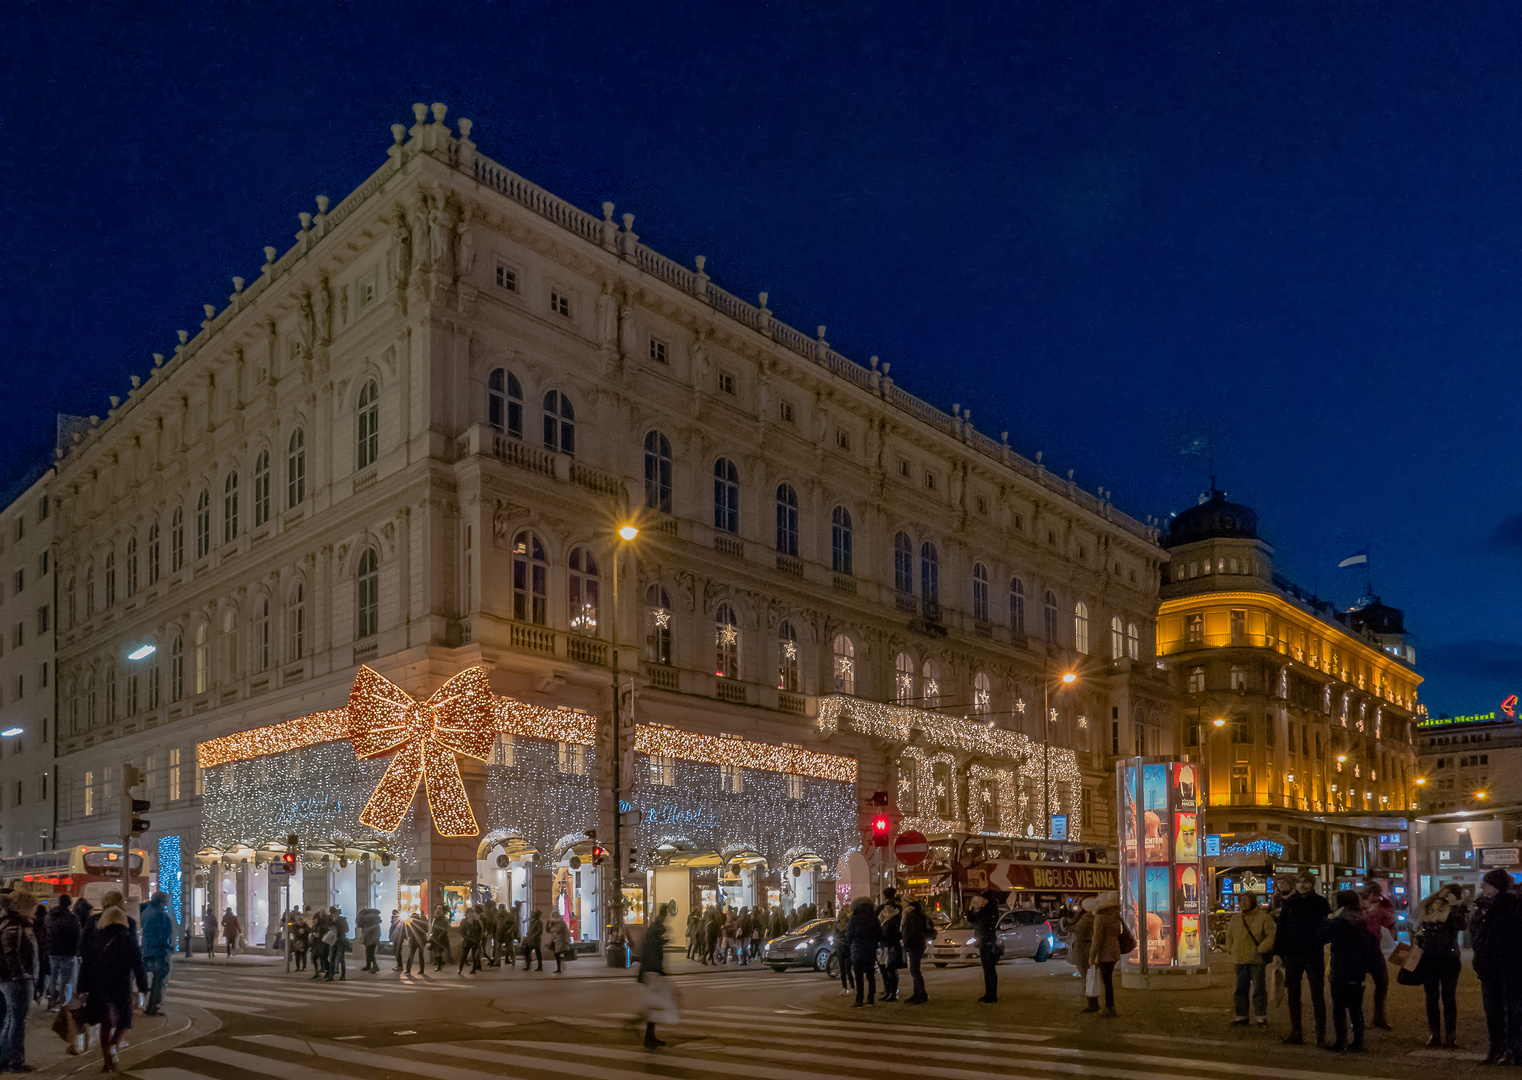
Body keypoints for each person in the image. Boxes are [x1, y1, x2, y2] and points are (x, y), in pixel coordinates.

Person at [78, 903, 146, 1074]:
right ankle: (114, 1044)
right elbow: (138, 964)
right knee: (123, 1019)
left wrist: (81, 987)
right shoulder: (127, 938)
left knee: (105, 1023)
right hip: (120, 984)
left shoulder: (96, 939)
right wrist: (143, 986)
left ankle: (106, 1060)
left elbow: (86, 965)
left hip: (98, 985)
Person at [1271, 871, 1331, 1046]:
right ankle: (1296, 1031)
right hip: (1293, 954)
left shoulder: (1320, 902)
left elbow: (1328, 925)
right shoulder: (1290, 903)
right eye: (1300, 882)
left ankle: (1321, 1034)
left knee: (1317, 995)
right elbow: (1281, 930)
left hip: (1313, 954)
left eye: (1306, 882)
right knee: (1293, 994)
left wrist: (1319, 939)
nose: (1303, 885)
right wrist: (1277, 953)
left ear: (1312, 884)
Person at [1472, 868, 1522, 1066]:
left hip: (1509, 968)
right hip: (1489, 968)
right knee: (1493, 1012)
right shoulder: (1483, 909)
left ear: (1496, 887)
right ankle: (1496, 1049)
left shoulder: (1511, 908)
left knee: (1511, 1012)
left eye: (1487, 884)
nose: (1483, 888)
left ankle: (1512, 1051)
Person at [1319, 888, 1379, 1052]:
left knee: (1338, 1007)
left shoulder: (1339, 922)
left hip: (1341, 967)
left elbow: (1322, 936)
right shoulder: (1362, 920)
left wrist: (1329, 919)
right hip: (1357, 968)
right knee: (1356, 1007)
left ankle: (1341, 1041)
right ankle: (1358, 1041)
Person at [1415, 882, 1466, 1049]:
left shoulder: (1455, 909)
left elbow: (1461, 926)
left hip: (1448, 957)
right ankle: (1434, 1034)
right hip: (1429, 956)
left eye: (1451, 893)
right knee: (1431, 998)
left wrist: (1455, 907)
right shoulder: (1428, 905)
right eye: (1446, 890)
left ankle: (1451, 1035)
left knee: (1448, 998)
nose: (1445, 894)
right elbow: (1417, 926)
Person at [0, 892, 38, 1072]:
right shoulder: (15, 925)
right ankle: (15, 1061)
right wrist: (20, 974)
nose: (35, 911)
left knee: (11, 1018)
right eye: (33, 907)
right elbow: (11, 952)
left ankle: (5, 1059)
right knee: (17, 1020)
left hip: (11, 978)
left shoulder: (11, 922)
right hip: (17, 980)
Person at [1226, 893, 1274, 1026]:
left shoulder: (1263, 917)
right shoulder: (1236, 918)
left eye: (1247, 900)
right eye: (1241, 900)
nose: (1244, 903)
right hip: (1240, 959)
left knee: (1258, 989)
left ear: (1253, 901)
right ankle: (1241, 1016)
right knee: (1240, 989)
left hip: (1256, 959)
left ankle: (1260, 1016)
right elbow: (1229, 935)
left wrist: (1261, 949)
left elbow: (1271, 936)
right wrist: (1230, 948)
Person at [638, 905, 674, 1049]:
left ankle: (650, 1036)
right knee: (653, 1005)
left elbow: (649, 946)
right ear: (665, 914)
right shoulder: (657, 928)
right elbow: (652, 950)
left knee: (653, 1004)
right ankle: (648, 1036)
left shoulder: (655, 927)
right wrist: (659, 970)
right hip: (652, 971)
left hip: (650, 970)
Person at [1360, 880, 1396, 1030]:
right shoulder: (1360, 905)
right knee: (1359, 984)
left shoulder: (1381, 906)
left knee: (1381, 982)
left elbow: (1388, 921)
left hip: (1373, 948)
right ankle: (1363, 1017)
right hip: (1362, 949)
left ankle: (1378, 1016)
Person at [1089, 890, 1124, 1016]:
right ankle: (1110, 1007)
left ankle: (1109, 1007)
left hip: (1105, 953)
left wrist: (1092, 956)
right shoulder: (1115, 916)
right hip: (1115, 951)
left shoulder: (1100, 918)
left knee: (1106, 981)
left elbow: (1097, 939)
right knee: (1109, 980)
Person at [140, 891, 174, 1016]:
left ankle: (150, 1005)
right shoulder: (160, 915)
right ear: (161, 901)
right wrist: (167, 948)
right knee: (159, 981)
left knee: (153, 980)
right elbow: (163, 936)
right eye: (165, 901)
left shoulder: (146, 912)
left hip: (147, 949)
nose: (166, 903)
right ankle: (153, 1006)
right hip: (158, 952)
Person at [45, 895, 81, 1009]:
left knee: (53, 976)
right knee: (65, 978)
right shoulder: (73, 918)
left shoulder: (51, 916)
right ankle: (61, 1001)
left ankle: (51, 999)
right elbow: (77, 935)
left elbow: (45, 932)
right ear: (69, 904)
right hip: (67, 952)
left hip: (52, 951)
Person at [845, 896, 881, 1007]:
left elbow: (849, 934)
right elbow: (878, 934)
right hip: (870, 949)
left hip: (857, 949)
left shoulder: (854, 918)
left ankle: (859, 999)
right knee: (870, 975)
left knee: (858, 975)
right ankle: (871, 998)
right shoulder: (874, 918)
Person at [970, 888, 1002, 1005]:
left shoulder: (990, 910)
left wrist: (977, 912)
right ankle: (989, 993)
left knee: (990, 969)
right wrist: (972, 910)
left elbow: (983, 922)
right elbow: (973, 920)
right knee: (987, 969)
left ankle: (992, 994)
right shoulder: (985, 909)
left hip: (988, 942)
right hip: (984, 941)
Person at [877, 888, 904, 1002]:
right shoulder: (899, 911)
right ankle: (891, 992)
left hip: (887, 944)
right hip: (891, 944)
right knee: (889, 969)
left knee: (888, 969)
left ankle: (891, 992)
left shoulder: (882, 910)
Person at [901, 897, 930, 1004]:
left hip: (914, 944)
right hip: (917, 943)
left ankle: (921, 994)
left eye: (904, 901)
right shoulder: (915, 913)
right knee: (915, 970)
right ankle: (917, 993)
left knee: (915, 970)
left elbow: (912, 931)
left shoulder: (912, 914)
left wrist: (906, 941)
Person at [1069, 898, 1097, 1012]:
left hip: (1083, 951)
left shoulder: (1085, 920)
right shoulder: (1093, 918)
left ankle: (1092, 1003)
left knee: (1087, 978)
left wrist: (1075, 916)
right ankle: (1092, 1002)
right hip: (1087, 949)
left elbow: (1071, 927)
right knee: (1089, 977)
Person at [326, 905, 350, 981]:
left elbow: (346, 929)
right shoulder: (330, 919)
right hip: (334, 940)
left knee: (339, 958)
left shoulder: (341, 919)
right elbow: (326, 926)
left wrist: (337, 929)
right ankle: (333, 975)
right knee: (333, 958)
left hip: (339, 940)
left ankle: (341, 975)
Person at [834, 906, 854, 995]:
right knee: (845, 969)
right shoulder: (847, 925)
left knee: (845, 969)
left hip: (843, 949)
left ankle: (847, 987)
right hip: (844, 949)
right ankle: (849, 987)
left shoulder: (839, 926)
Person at [356, 907, 382, 973]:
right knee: (369, 952)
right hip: (373, 938)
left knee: (370, 952)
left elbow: (358, 924)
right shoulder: (375, 919)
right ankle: (368, 965)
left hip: (370, 938)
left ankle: (375, 966)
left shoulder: (367, 919)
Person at [404, 909, 429, 975]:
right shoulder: (423, 922)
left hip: (414, 941)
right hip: (421, 941)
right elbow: (426, 931)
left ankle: (408, 970)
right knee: (421, 955)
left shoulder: (412, 923)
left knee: (411, 955)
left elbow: (409, 933)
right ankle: (422, 970)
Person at [458, 907, 482, 975]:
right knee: (464, 955)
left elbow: (480, 930)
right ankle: (460, 968)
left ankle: (474, 969)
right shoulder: (464, 921)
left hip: (475, 940)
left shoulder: (476, 921)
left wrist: (479, 938)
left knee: (475, 956)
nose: (470, 914)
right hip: (467, 940)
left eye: (471, 913)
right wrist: (464, 937)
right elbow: (461, 930)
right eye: (468, 913)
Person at [546, 910, 571, 975]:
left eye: (556, 915)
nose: (554, 916)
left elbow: (557, 929)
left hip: (561, 940)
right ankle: (559, 968)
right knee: (556, 954)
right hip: (556, 940)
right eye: (553, 915)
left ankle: (560, 967)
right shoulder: (554, 922)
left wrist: (551, 929)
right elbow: (549, 930)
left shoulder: (560, 922)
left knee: (558, 953)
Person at [497, 904, 518, 969]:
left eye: (501, 908)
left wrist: (510, 930)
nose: (500, 910)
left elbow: (514, 924)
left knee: (510, 948)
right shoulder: (497, 916)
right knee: (498, 948)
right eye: (500, 908)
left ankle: (513, 960)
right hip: (500, 934)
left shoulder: (509, 915)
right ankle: (497, 961)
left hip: (507, 934)